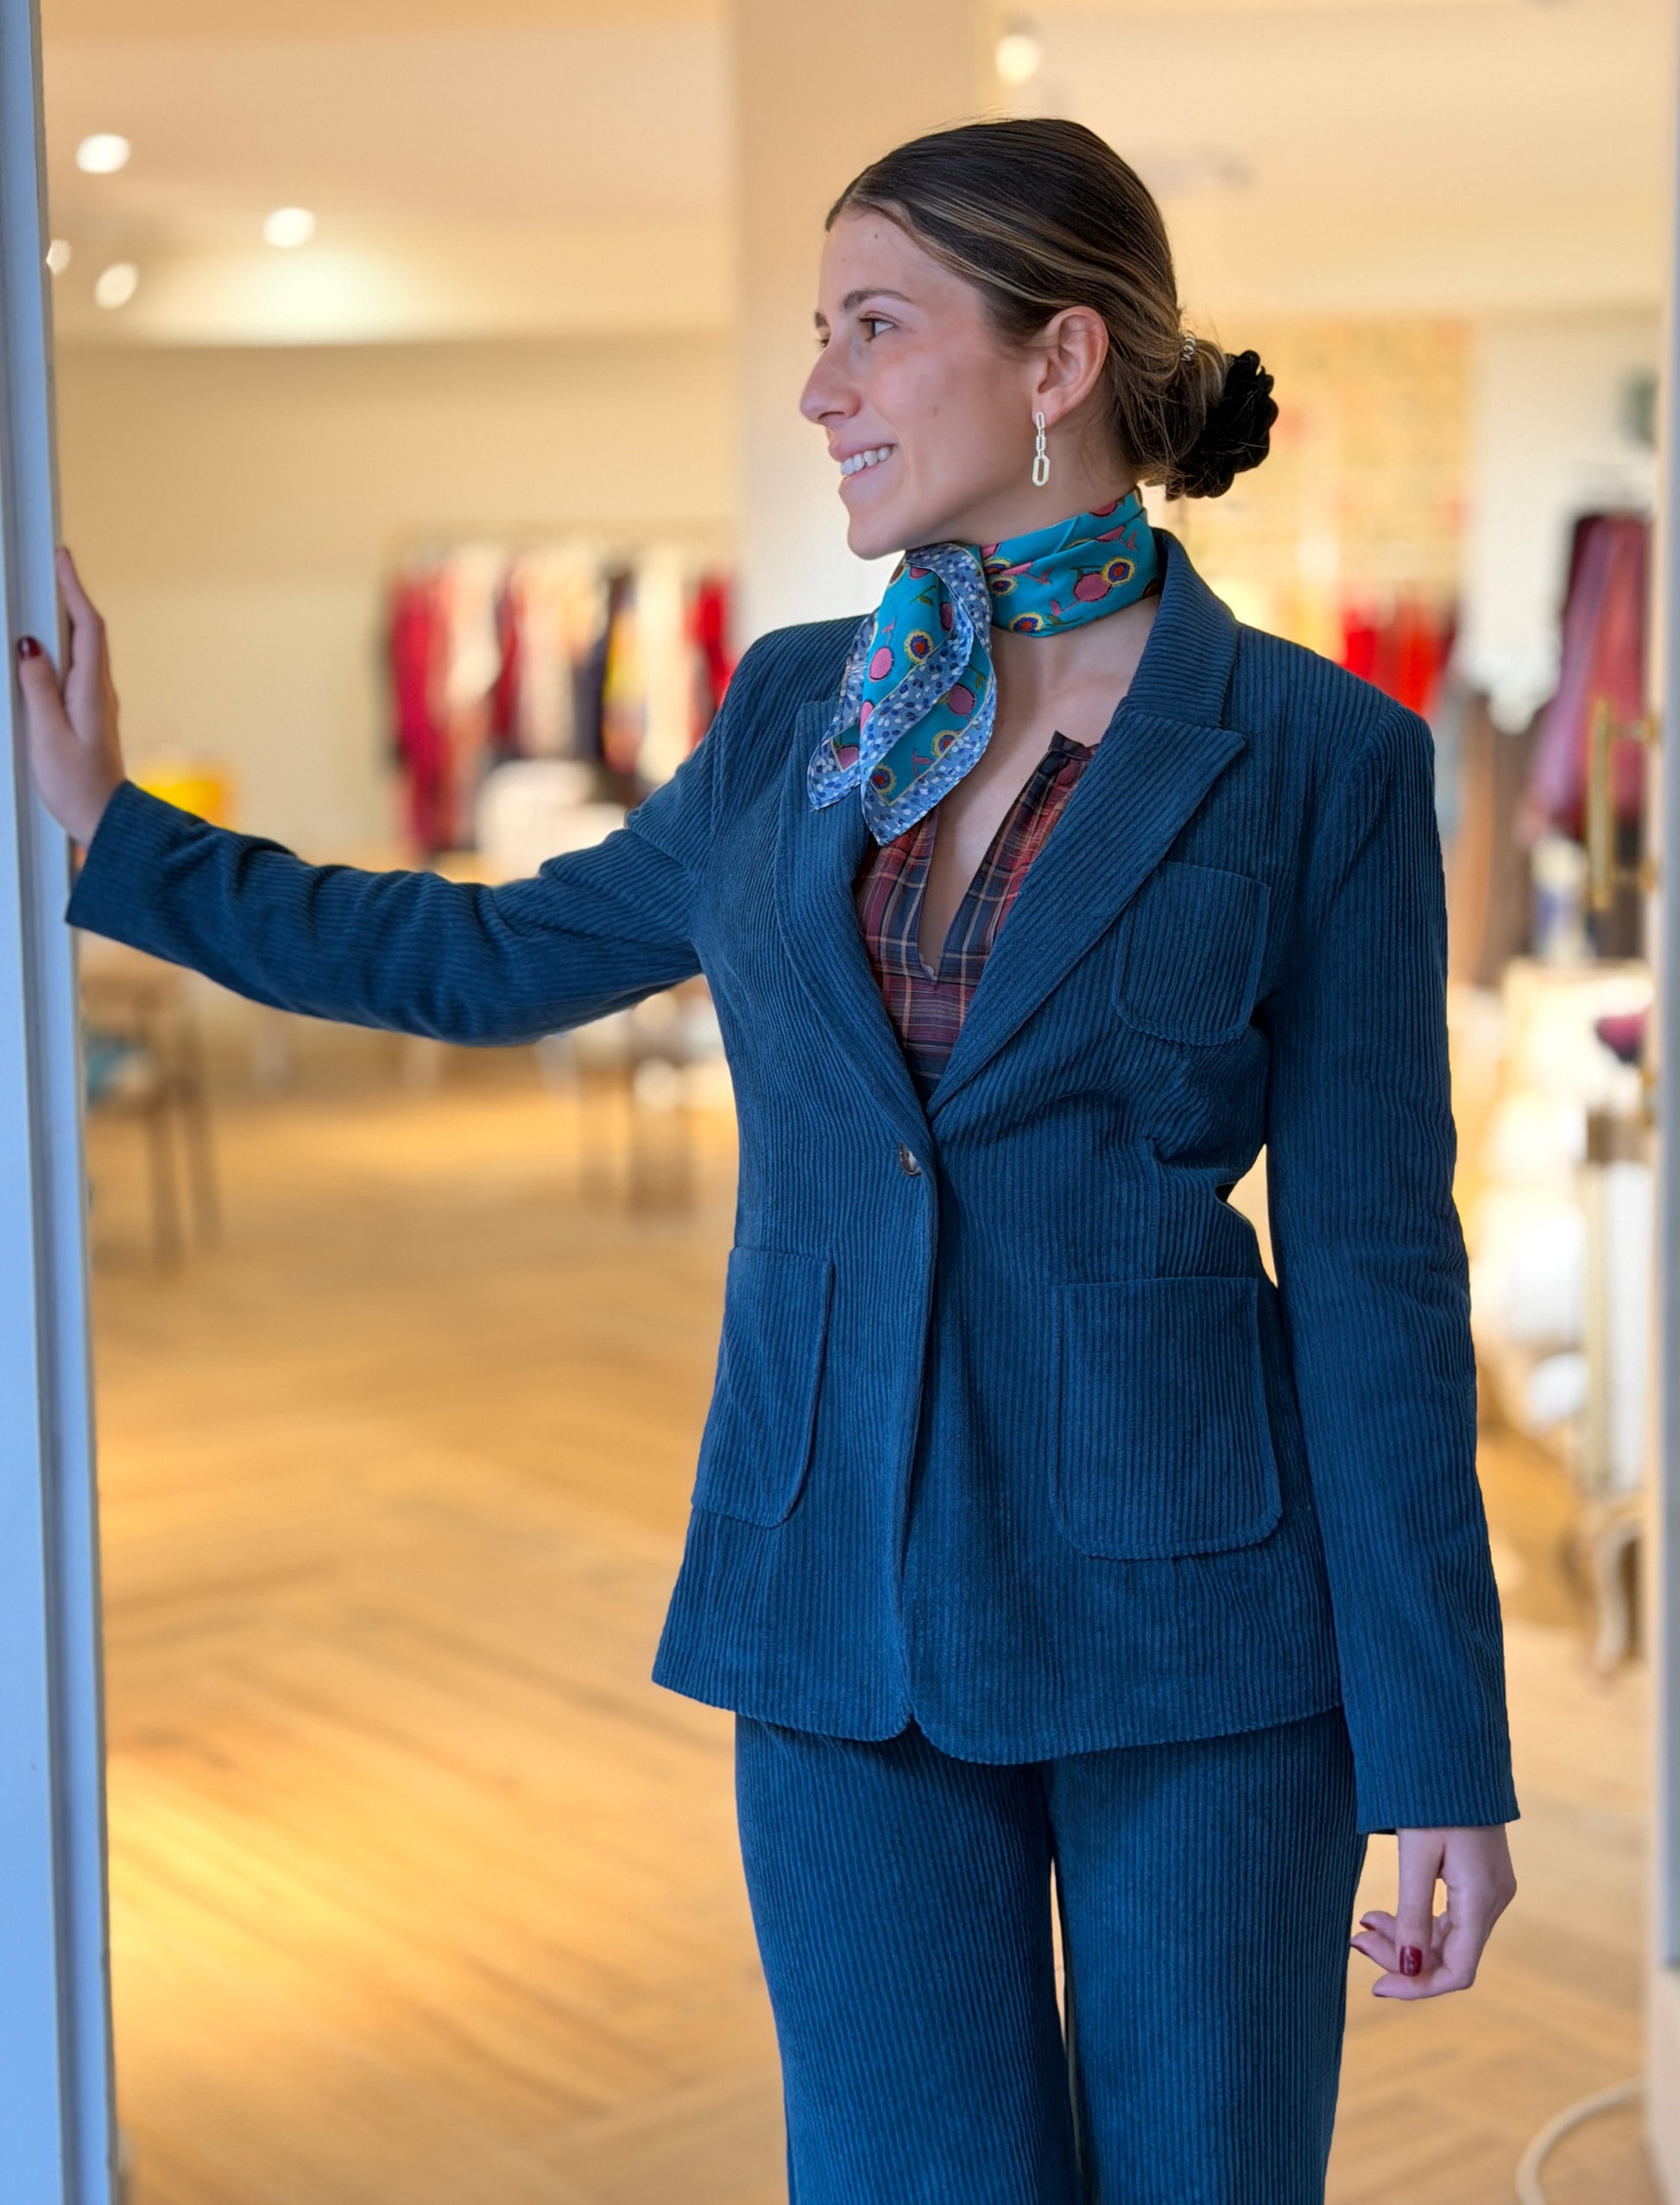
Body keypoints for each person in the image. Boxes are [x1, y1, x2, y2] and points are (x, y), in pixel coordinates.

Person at [18, 117, 1516, 2205]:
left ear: (1058, 356)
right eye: (819, 332)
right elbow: (494, 953)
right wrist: (121, 840)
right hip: (833, 1604)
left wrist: (1442, 1748)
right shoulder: (800, 711)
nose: (820, 388)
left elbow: (1374, 1273)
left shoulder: (1317, 755)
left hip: (1199, 1635)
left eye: (872, 327)